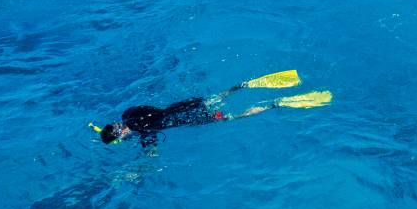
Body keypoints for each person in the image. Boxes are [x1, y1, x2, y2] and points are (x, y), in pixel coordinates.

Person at [94, 72, 331, 148]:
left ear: (121, 134)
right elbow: (148, 111)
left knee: (232, 117)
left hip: (189, 117)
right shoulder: (128, 112)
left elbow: (150, 146)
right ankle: (244, 85)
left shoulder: (141, 130)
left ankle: (275, 104)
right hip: (182, 106)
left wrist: (145, 161)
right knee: (217, 97)